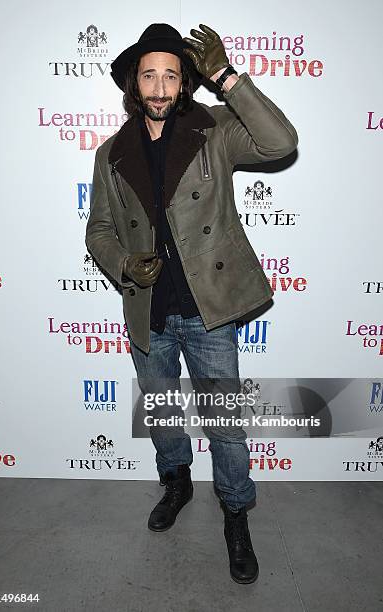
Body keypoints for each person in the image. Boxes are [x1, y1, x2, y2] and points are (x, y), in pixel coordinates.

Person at [85, 23, 298, 584]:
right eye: (149, 75)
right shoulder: (111, 154)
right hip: (148, 308)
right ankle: (176, 481)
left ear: (185, 84)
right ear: (135, 83)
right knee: (162, 413)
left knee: (226, 425)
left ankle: (235, 514)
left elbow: (281, 141)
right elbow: (99, 230)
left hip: (208, 310)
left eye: (171, 76)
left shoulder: (216, 130)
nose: (159, 87)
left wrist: (228, 78)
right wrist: (125, 264)